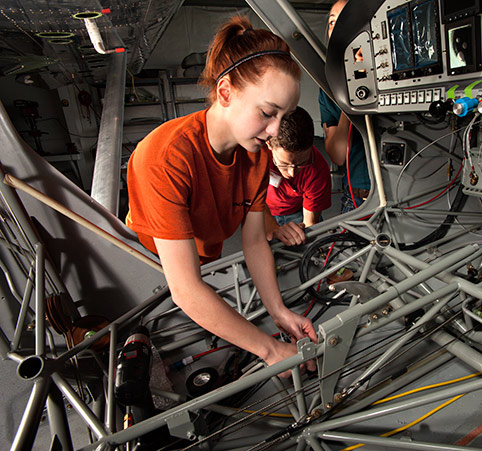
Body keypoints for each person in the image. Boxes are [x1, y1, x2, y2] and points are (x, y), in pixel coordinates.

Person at [125, 16, 317, 376]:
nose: (275, 130)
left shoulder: (255, 155)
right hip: (148, 265)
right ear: (226, 91)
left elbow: (256, 240)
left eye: (284, 116)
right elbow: (184, 289)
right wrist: (270, 349)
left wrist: (278, 311)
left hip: (205, 254)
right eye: (267, 113)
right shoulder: (166, 157)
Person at [319, 0, 370, 213]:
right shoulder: (329, 88)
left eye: (346, 19)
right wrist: (349, 98)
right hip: (359, 195)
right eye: (333, 22)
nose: (338, 27)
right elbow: (338, 155)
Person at [265, 106, 331, 244]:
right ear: (269, 145)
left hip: (297, 213)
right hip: (262, 211)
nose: (292, 173)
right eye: (284, 164)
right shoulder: (255, 156)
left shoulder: (317, 169)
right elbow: (249, 202)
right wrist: (272, 226)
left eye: (302, 163)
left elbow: (310, 223)